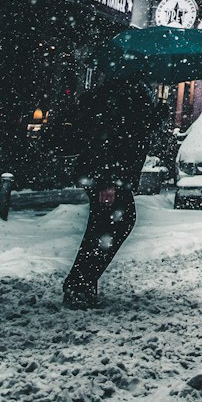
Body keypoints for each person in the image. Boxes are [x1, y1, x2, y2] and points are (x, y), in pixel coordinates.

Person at [60, 78, 160, 310]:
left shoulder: (133, 92)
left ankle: (81, 285)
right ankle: (79, 285)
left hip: (111, 174)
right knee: (111, 225)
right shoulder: (124, 94)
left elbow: (133, 134)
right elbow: (106, 138)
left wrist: (156, 115)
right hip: (108, 174)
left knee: (106, 226)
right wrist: (107, 180)